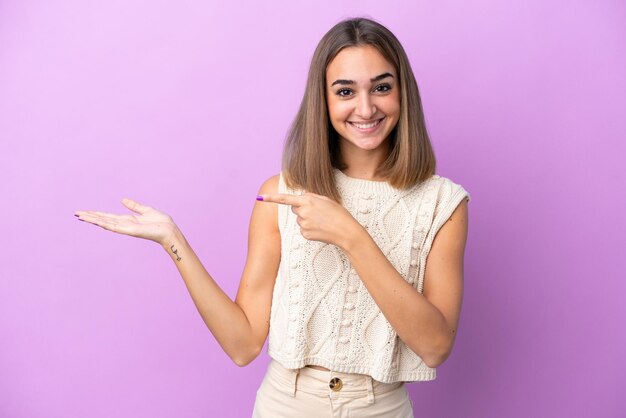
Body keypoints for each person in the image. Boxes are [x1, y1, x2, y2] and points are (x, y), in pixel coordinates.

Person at [75, 17, 470, 418]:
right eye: (345, 91)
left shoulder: (443, 203)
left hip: (381, 408)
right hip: (285, 405)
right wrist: (171, 238)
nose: (365, 108)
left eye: (382, 87)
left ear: (403, 93)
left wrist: (351, 235)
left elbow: (435, 347)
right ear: (324, 100)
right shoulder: (281, 196)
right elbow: (243, 344)